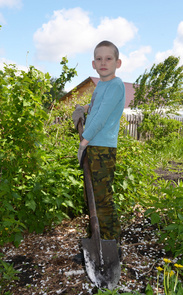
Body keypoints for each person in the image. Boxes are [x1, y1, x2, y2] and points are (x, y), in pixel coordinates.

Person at [72, 40, 125, 257]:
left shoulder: (116, 85)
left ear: (118, 62)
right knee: (92, 197)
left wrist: (83, 141)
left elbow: (102, 117)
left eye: (108, 58)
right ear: (93, 64)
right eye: (99, 58)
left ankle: (112, 246)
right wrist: (83, 108)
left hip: (102, 149)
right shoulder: (102, 85)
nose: (103, 62)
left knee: (102, 199)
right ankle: (96, 241)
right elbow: (96, 108)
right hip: (94, 146)